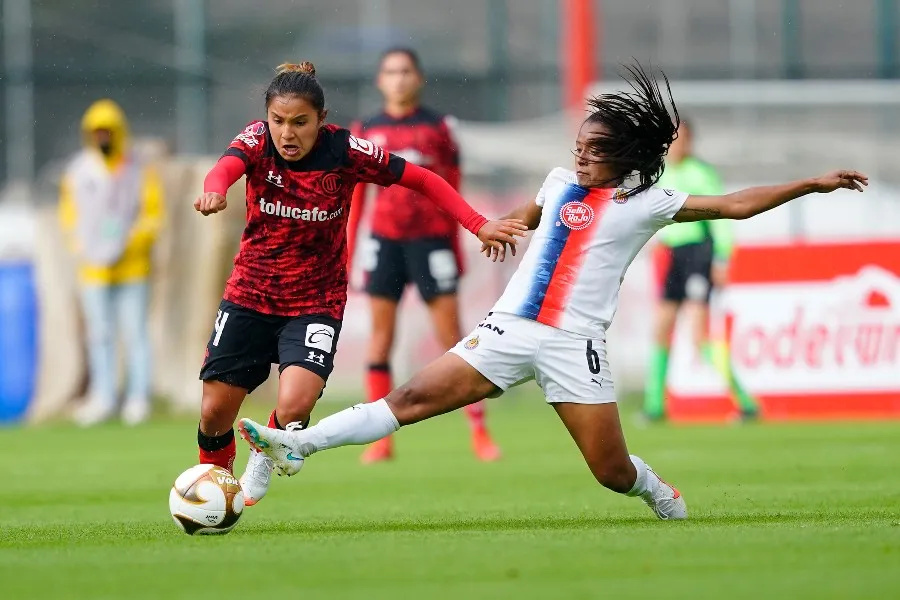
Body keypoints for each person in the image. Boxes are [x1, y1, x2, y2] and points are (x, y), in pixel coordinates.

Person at [237, 63, 866, 520]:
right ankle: (295, 445)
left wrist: (810, 183)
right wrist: (503, 225)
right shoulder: (561, 179)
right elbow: (535, 216)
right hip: (509, 328)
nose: (581, 155)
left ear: (624, 155)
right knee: (411, 396)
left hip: (574, 345)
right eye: (579, 146)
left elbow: (732, 205)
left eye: (594, 149)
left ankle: (659, 494)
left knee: (611, 473)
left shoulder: (648, 202)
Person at [193, 61, 526, 506]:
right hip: (251, 294)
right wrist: (216, 189)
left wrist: (478, 224)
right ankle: (214, 487)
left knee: (294, 406)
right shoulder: (256, 140)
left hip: (315, 300)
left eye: (300, 122)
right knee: (215, 410)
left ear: (322, 120)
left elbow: (424, 178)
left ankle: (262, 455)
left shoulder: (346, 151)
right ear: (267, 118)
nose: (287, 134)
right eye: (278, 121)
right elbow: (225, 168)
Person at [347, 47, 500, 463]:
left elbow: (451, 187)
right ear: (381, 81)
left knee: (454, 339)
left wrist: (455, 245)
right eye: (390, 72)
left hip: (431, 242)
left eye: (405, 71)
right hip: (384, 242)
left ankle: (480, 433)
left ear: (419, 78)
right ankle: (381, 440)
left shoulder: (438, 128)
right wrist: (348, 251)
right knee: (381, 340)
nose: (398, 78)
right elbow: (356, 195)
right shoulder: (366, 129)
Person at [59, 99, 165, 427]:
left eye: (107, 131)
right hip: (94, 269)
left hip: (131, 267)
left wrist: (131, 242)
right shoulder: (79, 170)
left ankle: (138, 397)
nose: (102, 137)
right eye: (96, 132)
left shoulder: (137, 168)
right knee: (99, 334)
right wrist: (80, 245)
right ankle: (103, 396)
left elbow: (152, 214)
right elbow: (69, 214)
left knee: (134, 333)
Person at [644, 119, 758, 421]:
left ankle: (745, 402)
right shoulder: (658, 173)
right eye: (672, 139)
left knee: (698, 335)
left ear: (691, 142)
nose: (677, 144)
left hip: (698, 253)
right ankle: (655, 406)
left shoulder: (701, 174)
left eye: (682, 138)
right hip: (672, 256)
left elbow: (721, 217)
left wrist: (721, 259)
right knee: (662, 327)